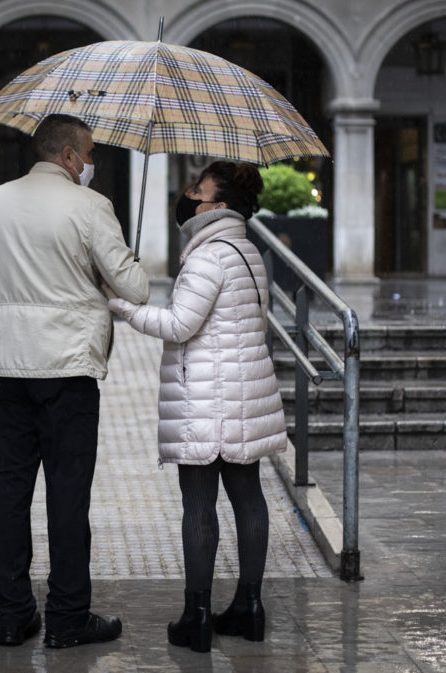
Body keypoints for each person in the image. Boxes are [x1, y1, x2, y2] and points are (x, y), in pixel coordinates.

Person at [0, 113, 149, 649]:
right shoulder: (91, 207)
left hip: (6, 370)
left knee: (12, 493)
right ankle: (66, 617)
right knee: (68, 496)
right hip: (67, 370)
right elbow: (136, 287)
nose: (92, 164)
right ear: (67, 155)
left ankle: (13, 615)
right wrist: (119, 259)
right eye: (89, 154)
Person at [103, 161, 287, 653]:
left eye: (197, 192)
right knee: (248, 497)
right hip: (243, 396)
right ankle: (249, 607)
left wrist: (121, 306)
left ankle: (197, 615)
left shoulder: (209, 257)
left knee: (199, 504)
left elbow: (181, 324)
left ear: (219, 207)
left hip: (210, 400)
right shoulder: (247, 250)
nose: (187, 197)